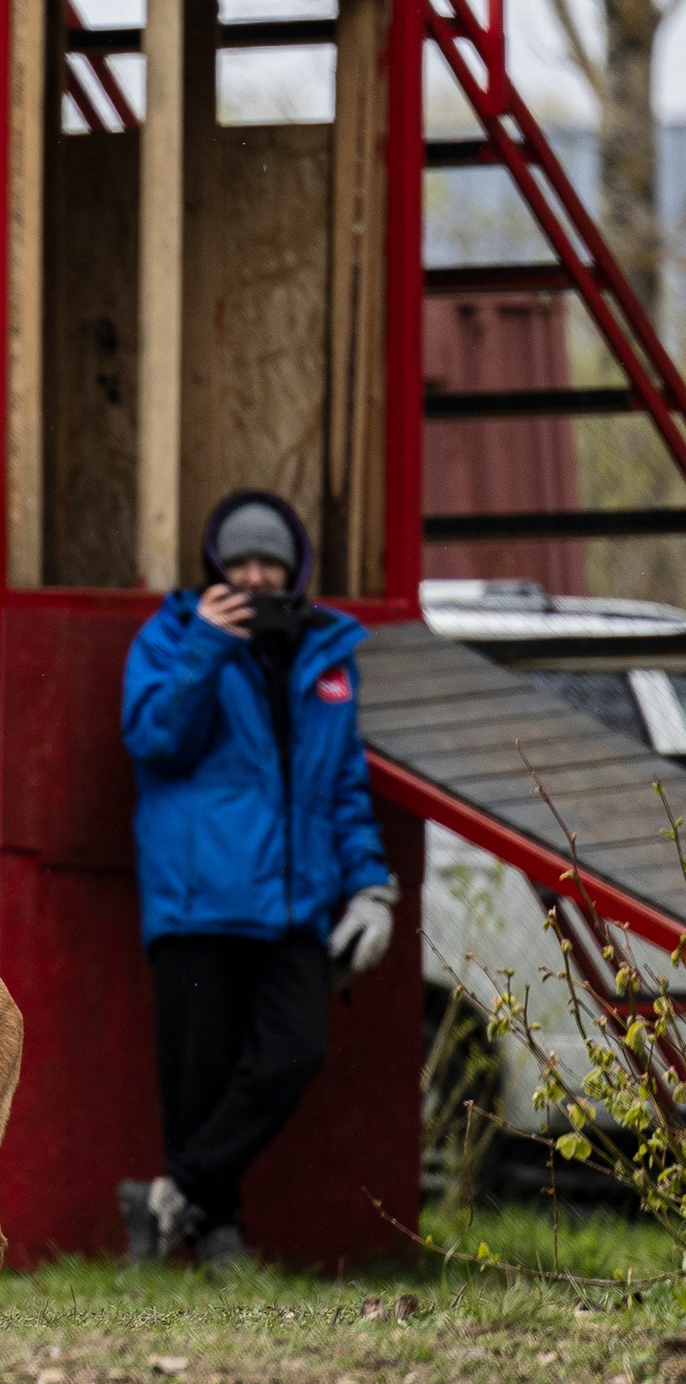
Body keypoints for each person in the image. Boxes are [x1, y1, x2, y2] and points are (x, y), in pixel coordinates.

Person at [116, 490, 397, 1268]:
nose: (253, 576)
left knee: (294, 1051)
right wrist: (206, 648)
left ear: (294, 569)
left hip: (295, 904)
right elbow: (154, 738)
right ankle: (217, 1232)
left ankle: (171, 1199)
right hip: (199, 899)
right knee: (196, 1080)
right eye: (238, 562)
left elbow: (344, 783)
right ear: (215, 569)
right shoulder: (172, 637)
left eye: (268, 561)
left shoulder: (327, 656)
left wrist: (371, 886)